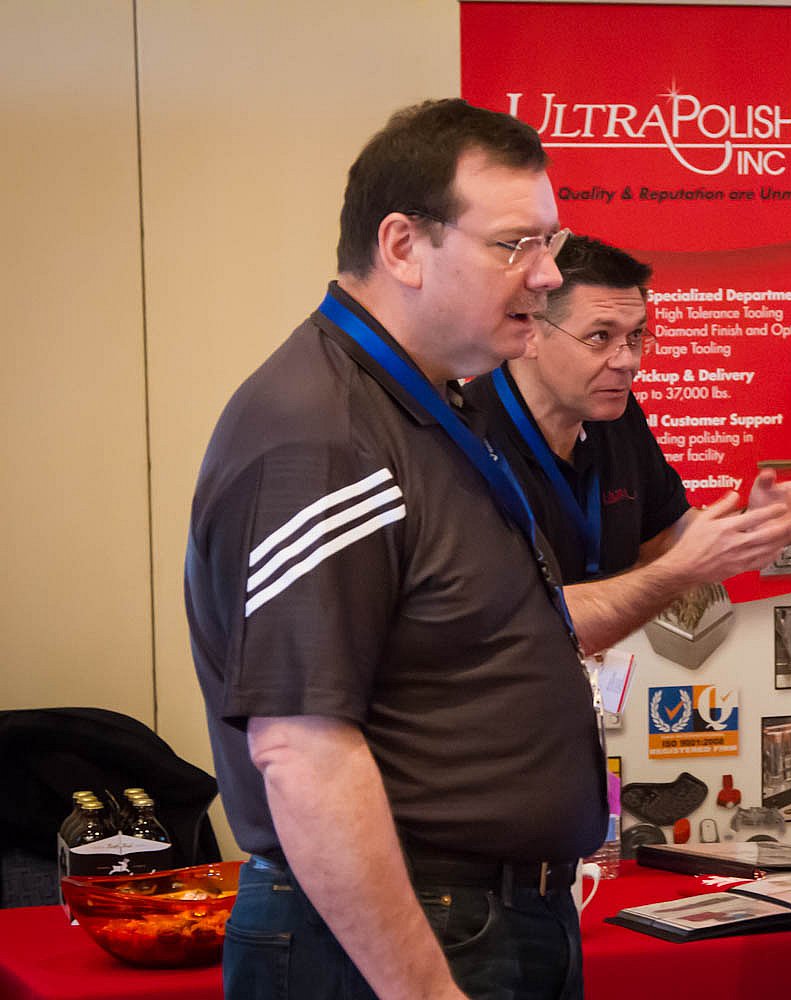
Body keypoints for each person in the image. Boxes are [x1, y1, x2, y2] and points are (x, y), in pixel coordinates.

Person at [186, 99, 606, 1000]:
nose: (546, 276)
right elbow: (303, 752)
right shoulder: (324, 436)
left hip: (480, 917)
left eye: (551, 242)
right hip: (404, 936)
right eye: (514, 245)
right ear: (403, 246)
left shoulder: (421, 399)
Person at [460, 234, 791, 653]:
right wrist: (677, 574)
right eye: (600, 336)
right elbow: (514, 624)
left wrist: (751, 528)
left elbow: (661, 536)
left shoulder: (613, 412)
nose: (628, 361)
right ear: (530, 332)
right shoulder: (462, 444)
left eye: (635, 336)